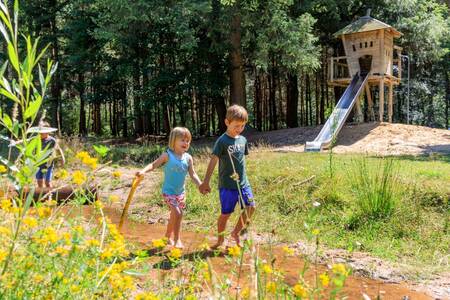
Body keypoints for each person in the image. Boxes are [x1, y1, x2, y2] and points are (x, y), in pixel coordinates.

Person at [199, 105, 255, 248]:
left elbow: (242, 161)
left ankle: (236, 233)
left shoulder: (242, 140)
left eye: (243, 126)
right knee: (226, 214)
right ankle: (220, 240)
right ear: (227, 122)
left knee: (251, 207)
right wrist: (206, 182)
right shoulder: (222, 141)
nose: (240, 128)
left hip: (243, 183)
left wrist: (244, 178)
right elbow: (213, 160)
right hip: (227, 186)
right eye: (236, 125)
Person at [137, 127, 202, 248]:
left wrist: (201, 185)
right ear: (173, 141)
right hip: (168, 192)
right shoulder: (167, 155)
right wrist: (143, 171)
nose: (186, 143)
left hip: (180, 193)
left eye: (188, 141)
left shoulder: (188, 158)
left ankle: (167, 237)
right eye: (182, 140)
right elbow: (153, 164)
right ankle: (177, 239)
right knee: (177, 213)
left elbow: (193, 174)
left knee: (175, 215)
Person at [35, 121, 65, 188]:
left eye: (43, 131)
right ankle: (41, 197)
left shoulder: (52, 140)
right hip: (38, 165)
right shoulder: (36, 140)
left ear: (48, 132)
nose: (41, 133)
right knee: (39, 183)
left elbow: (58, 149)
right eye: (39, 131)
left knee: (47, 182)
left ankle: (50, 196)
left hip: (48, 165)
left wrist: (62, 158)